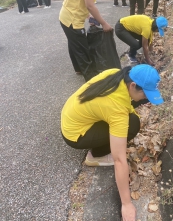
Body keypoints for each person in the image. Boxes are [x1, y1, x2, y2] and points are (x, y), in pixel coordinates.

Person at [61, 64, 164, 221]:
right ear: (133, 85)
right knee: (132, 125)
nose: (146, 99)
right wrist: (127, 204)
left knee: (132, 119)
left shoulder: (116, 74)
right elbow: (119, 160)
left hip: (72, 115)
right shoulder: (116, 108)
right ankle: (95, 156)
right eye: (145, 94)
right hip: (75, 133)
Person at [59, 0, 112, 81]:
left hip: (65, 17)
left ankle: (78, 69)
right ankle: (91, 81)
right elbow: (90, 5)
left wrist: (88, 15)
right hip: (73, 21)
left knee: (73, 44)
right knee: (83, 51)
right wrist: (104, 23)